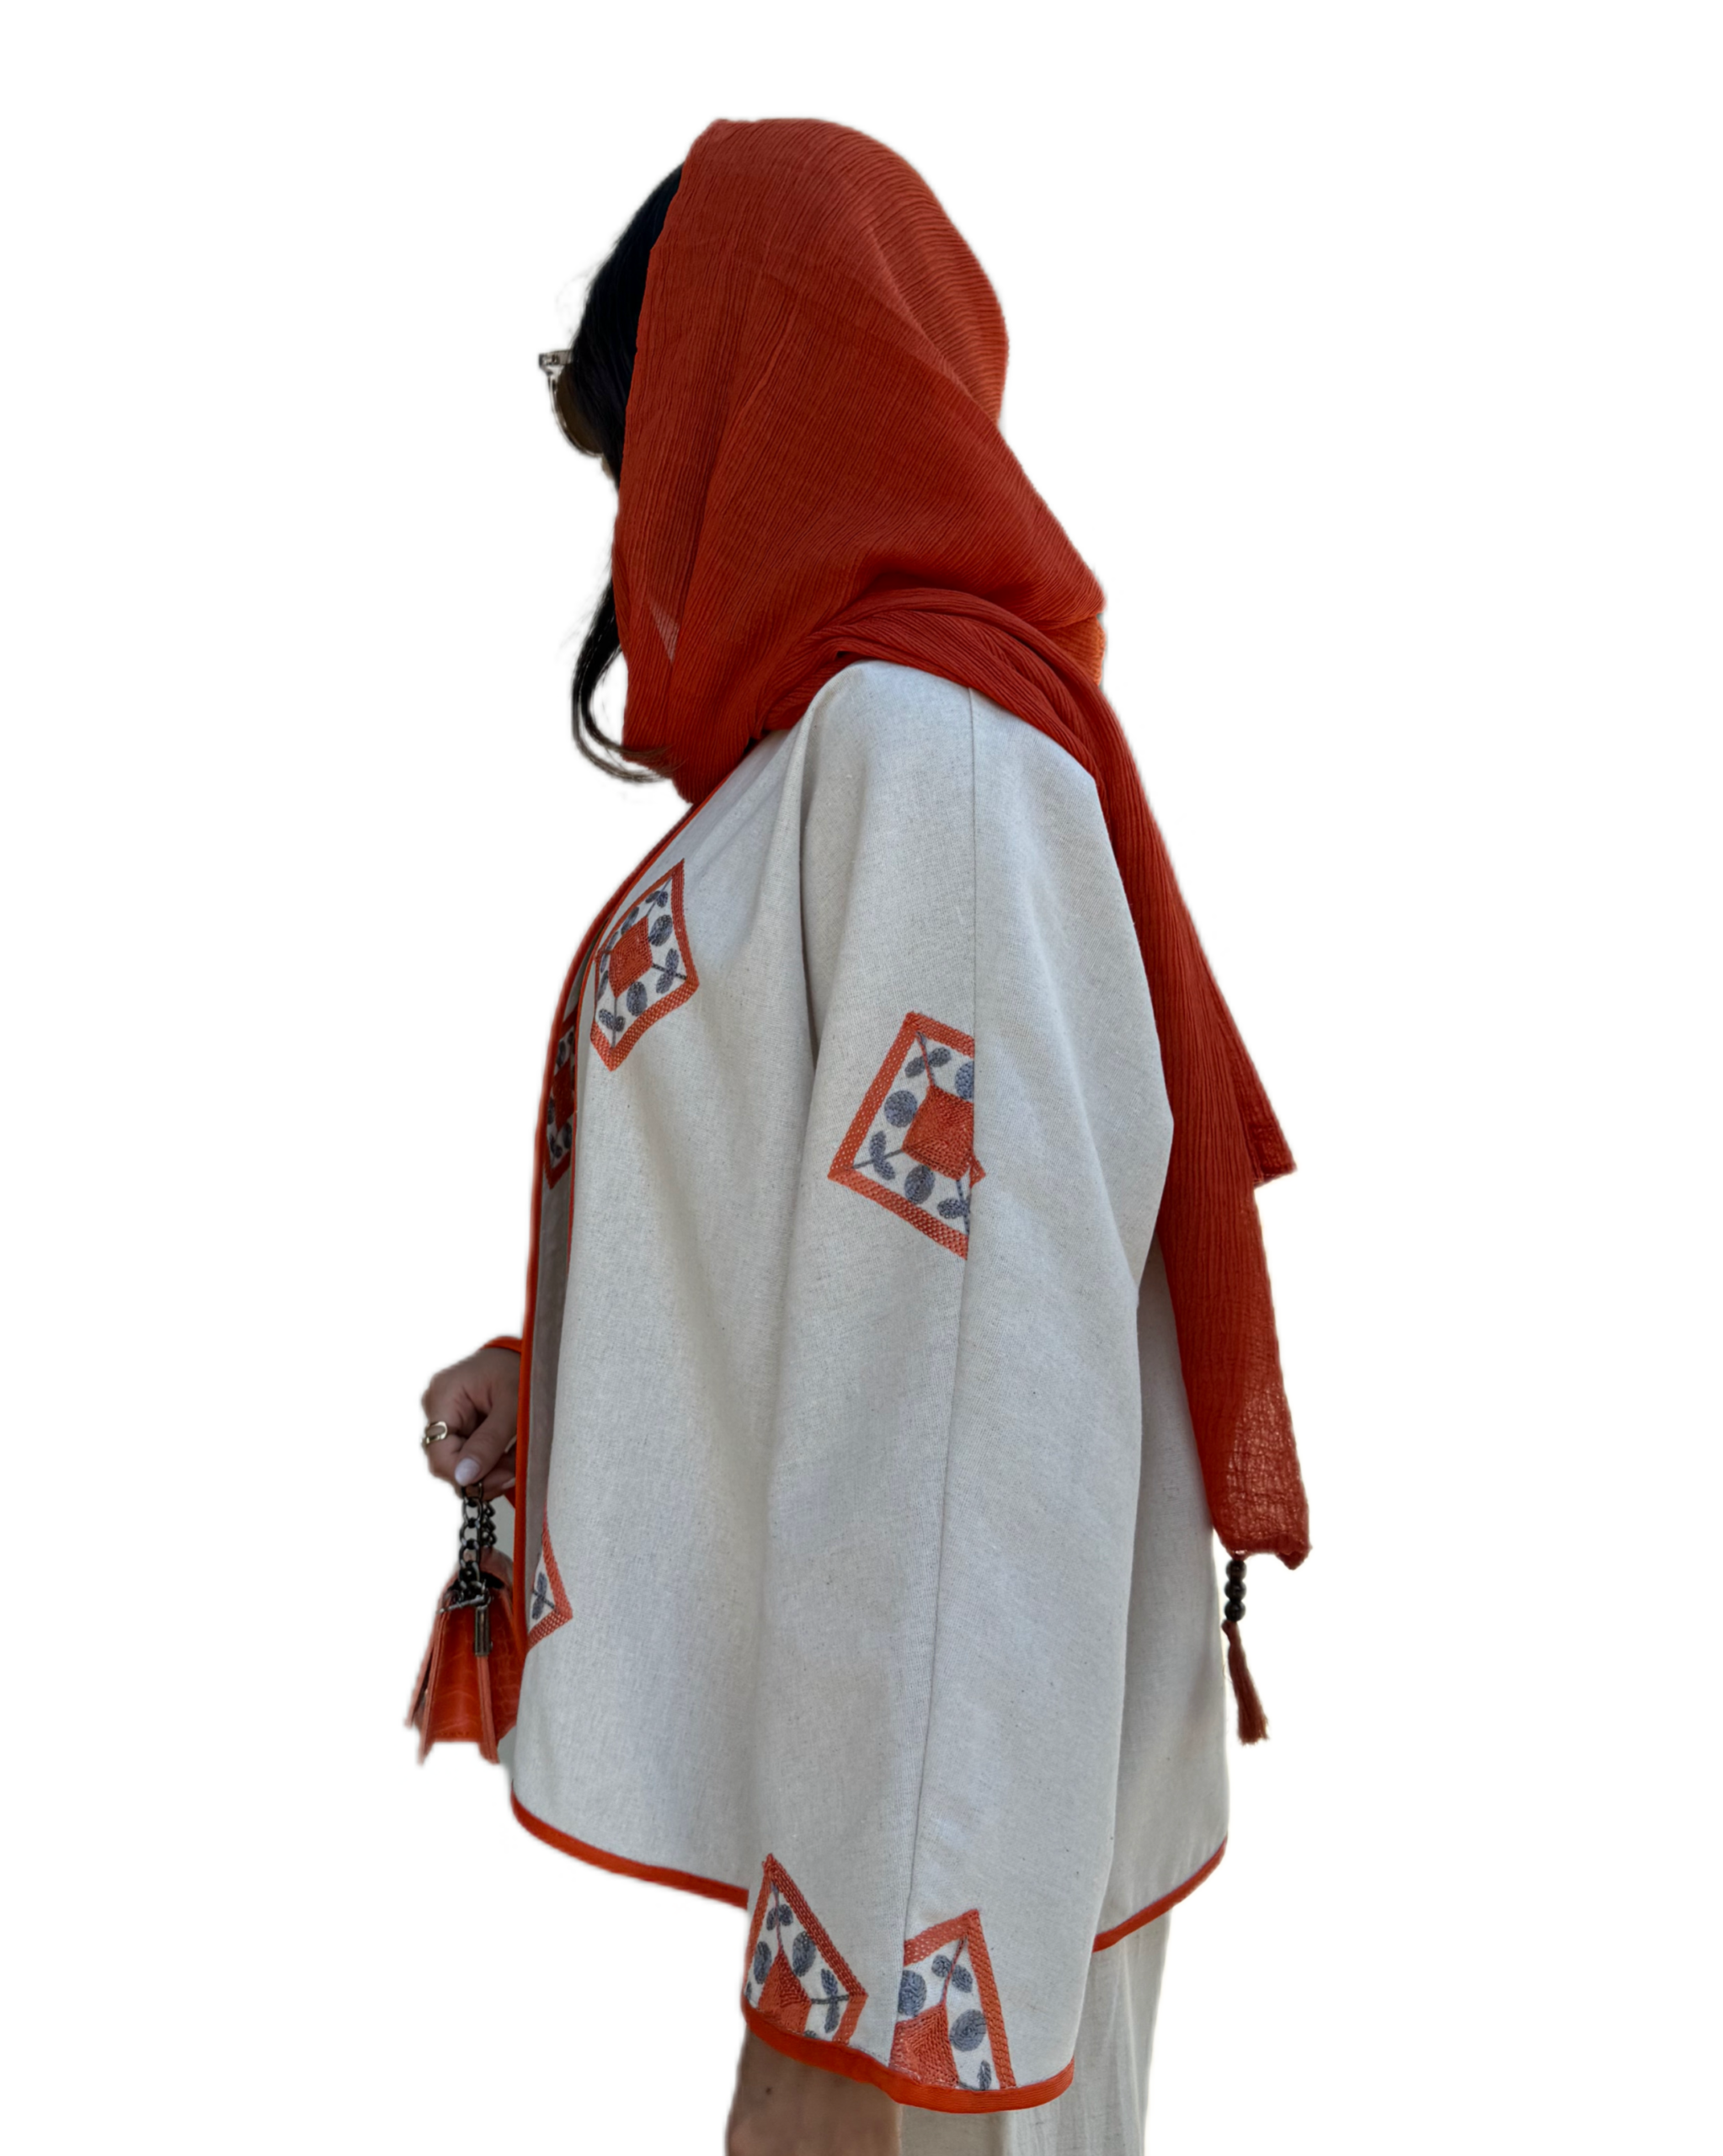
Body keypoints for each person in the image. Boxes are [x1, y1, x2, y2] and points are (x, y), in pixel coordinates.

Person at [418, 119, 1310, 2155]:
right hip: (902, 1853)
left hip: (937, 1895)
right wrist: (575, 1377)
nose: (649, 525)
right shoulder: (853, 746)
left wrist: (866, 2004)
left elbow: (985, 1393)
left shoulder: (933, 749)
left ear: (753, 399)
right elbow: (851, 1229)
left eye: (657, 446)